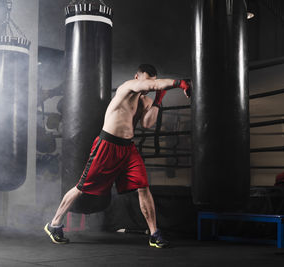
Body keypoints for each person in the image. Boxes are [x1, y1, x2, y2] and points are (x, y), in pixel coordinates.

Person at [44, 64, 191, 248]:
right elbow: (153, 86)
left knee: (143, 187)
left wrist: (158, 100)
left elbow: (147, 124)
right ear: (137, 78)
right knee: (82, 186)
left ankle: (154, 234)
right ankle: (54, 224)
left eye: (152, 83)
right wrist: (180, 83)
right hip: (107, 145)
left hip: (128, 149)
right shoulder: (127, 87)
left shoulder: (144, 101)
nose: (149, 85)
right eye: (146, 81)